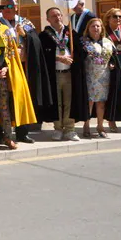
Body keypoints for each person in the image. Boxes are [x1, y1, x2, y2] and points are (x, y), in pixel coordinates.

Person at [0, 2, 37, 150]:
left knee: (4, 108)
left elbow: (11, 54)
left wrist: (5, 68)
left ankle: (8, 137)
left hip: (4, 75)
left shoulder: (6, 31)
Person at [0, 0, 50, 144]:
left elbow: (36, 42)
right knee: (4, 100)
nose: (7, 9)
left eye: (10, 6)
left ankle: (23, 132)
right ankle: (4, 132)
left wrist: (25, 35)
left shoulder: (25, 22)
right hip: (5, 67)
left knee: (23, 100)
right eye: (4, 7)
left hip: (23, 67)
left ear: (16, 7)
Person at [76, 18, 121, 139]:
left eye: (98, 26)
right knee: (90, 102)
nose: (96, 28)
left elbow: (113, 58)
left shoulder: (108, 42)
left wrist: (112, 64)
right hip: (89, 76)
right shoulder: (83, 42)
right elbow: (79, 58)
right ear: (88, 28)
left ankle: (100, 126)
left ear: (101, 28)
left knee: (101, 102)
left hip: (104, 76)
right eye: (93, 26)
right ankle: (86, 125)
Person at [40, 7, 81, 141]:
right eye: (53, 16)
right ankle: (58, 128)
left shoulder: (71, 33)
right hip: (54, 74)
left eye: (58, 15)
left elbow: (80, 51)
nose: (57, 18)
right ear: (48, 19)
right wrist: (59, 58)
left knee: (69, 101)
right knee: (56, 102)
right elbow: (43, 56)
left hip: (69, 73)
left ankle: (70, 129)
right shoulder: (44, 35)